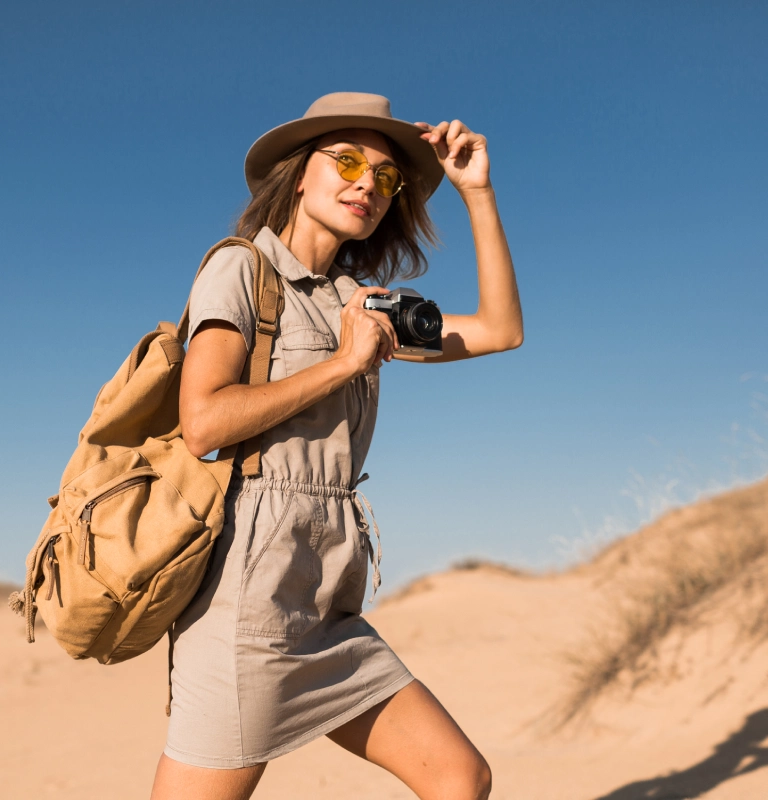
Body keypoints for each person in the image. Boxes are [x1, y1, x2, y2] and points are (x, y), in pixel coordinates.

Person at [151, 92, 523, 800]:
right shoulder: (242, 271)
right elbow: (201, 422)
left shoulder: (359, 302)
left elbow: (502, 329)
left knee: (459, 776)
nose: (369, 185)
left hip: (329, 588)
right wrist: (345, 364)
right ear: (298, 174)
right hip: (247, 592)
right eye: (347, 161)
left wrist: (477, 192)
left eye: (387, 178)